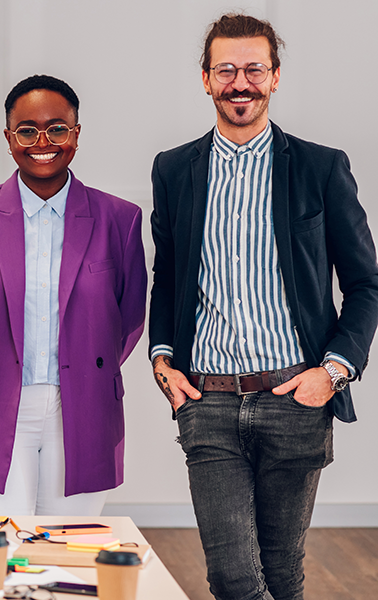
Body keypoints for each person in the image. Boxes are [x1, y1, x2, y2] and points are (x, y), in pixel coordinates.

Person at [149, 14, 378, 600]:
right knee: (232, 577)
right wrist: (163, 360)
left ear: (275, 77)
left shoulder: (320, 167)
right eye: (226, 69)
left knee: (282, 574)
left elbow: (365, 284)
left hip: (294, 400)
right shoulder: (175, 170)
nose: (240, 82)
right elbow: (169, 273)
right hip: (209, 400)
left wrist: (331, 374)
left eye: (254, 68)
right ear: (205, 79)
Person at [0, 75, 147, 516]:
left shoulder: (119, 219)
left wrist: (84, 364)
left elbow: (129, 317)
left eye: (57, 128)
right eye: (27, 130)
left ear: (76, 135)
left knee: (66, 561)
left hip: (83, 404)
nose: (42, 141)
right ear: (9, 138)